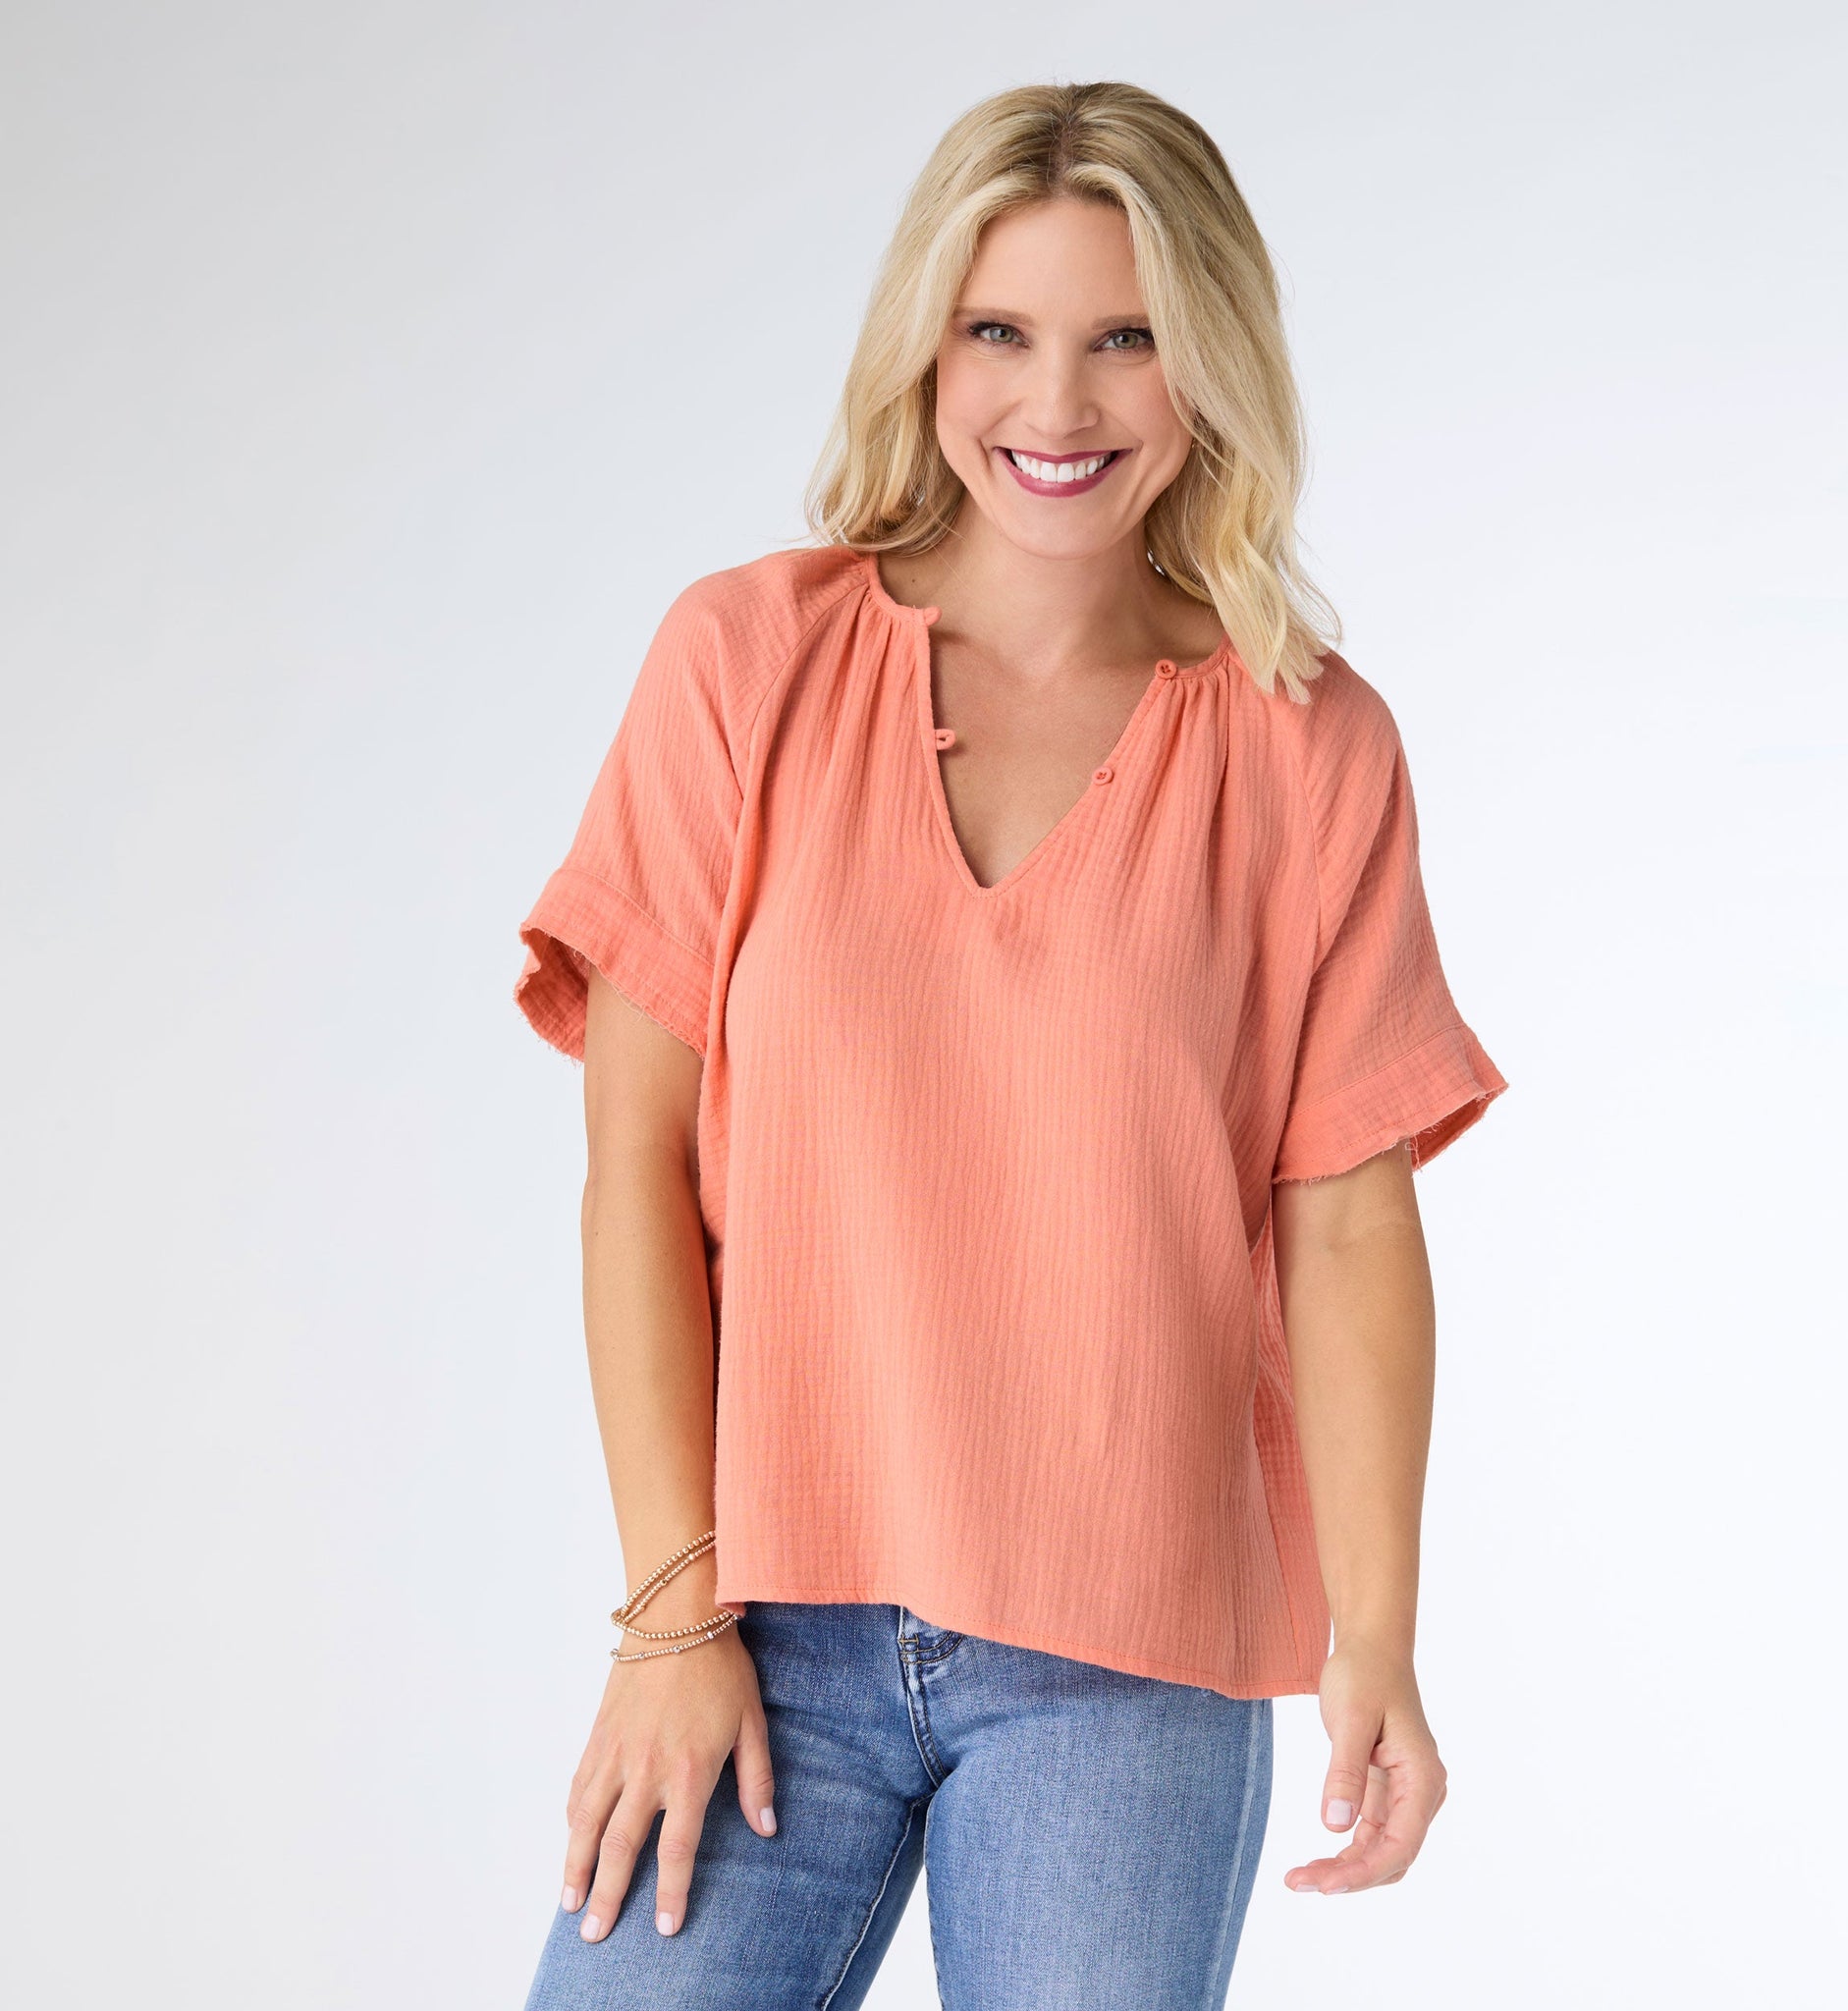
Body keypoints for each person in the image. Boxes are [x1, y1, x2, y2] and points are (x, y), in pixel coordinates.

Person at [509, 79, 1508, 2011]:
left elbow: (1349, 1220)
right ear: (927, 343)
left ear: (1213, 359)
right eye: (1001, 331)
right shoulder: (745, 664)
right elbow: (634, 1164)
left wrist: (1375, 1636)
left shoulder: (1307, 747)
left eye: (1127, 337)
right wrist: (668, 1619)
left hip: (1129, 1657)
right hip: (764, 1616)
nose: (1059, 403)